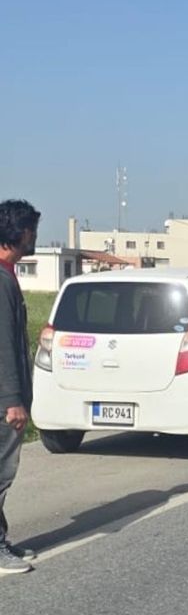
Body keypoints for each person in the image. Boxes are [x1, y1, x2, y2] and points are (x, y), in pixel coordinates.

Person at [0, 200, 39, 574]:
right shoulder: (1, 279)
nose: (34, 237)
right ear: (21, 232)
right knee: (0, 472)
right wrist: (13, 399)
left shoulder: (6, 274)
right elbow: (3, 345)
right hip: (2, 399)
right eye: (32, 230)